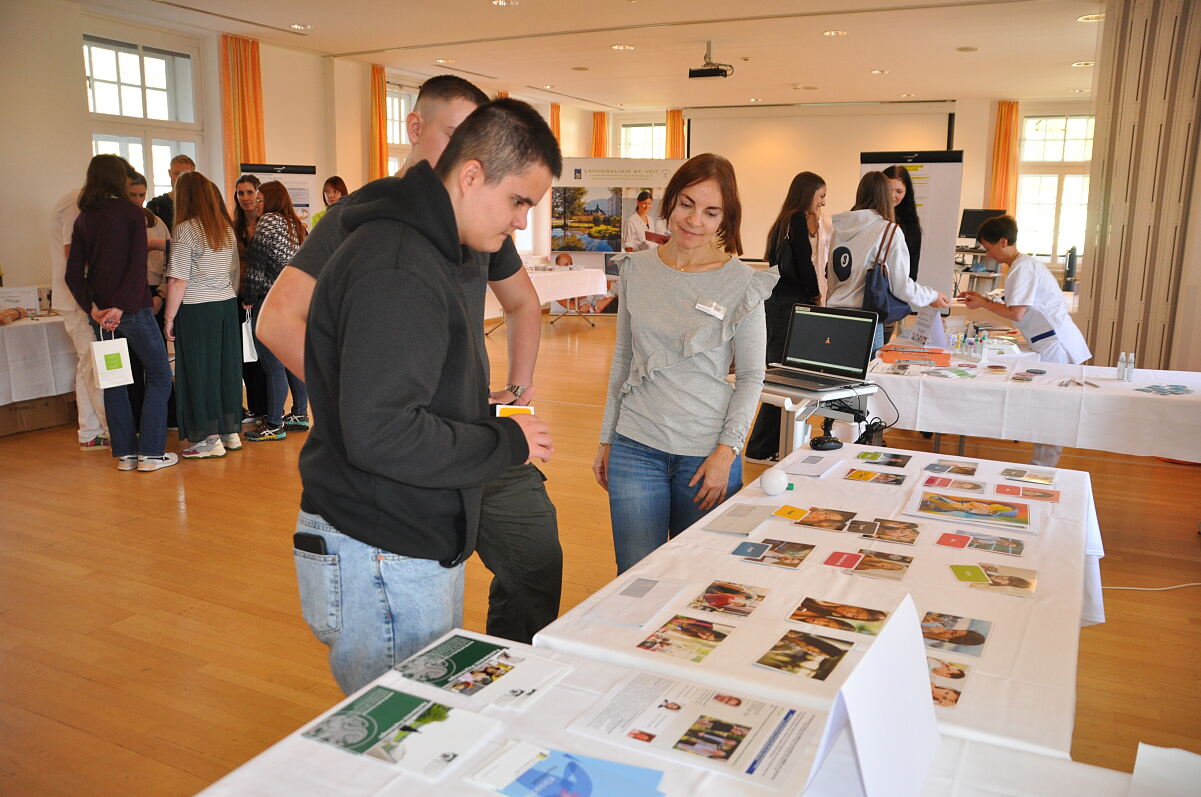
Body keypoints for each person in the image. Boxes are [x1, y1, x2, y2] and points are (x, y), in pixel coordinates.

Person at [258, 75, 562, 646]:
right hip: (383, 533)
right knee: (405, 725)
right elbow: (380, 427)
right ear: (469, 171)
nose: (521, 220)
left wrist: (503, 405)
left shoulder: (447, 239)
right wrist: (504, 440)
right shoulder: (397, 260)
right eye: (519, 202)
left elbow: (520, 308)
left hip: (418, 503)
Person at [595, 153, 778, 574]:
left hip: (706, 456)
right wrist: (607, 438)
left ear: (725, 220)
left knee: (698, 580)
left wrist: (727, 453)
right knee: (635, 577)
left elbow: (752, 375)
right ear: (669, 203)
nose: (694, 220)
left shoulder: (743, 283)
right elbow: (623, 358)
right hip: (634, 449)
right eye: (687, 204)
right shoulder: (636, 270)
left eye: (711, 211)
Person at [64, 154, 177, 472]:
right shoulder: (131, 214)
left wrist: (95, 309)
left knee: (115, 381)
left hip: (102, 318)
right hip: (135, 311)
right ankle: (152, 453)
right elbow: (135, 268)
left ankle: (125, 454)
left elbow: (73, 275)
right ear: (119, 179)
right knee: (158, 374)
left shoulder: (84, 219)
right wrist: (121, 307)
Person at [960, 214, 1091, 467]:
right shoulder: (1025, 266)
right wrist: (984, 300)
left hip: (1056, 346)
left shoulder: (1022, 267)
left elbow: (1016, 312)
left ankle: (1043, 469)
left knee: (1051, 409)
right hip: (1051, 341)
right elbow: (1019, 307)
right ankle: (1042, 465)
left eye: (989, 249)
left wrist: (982, 304)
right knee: (1048, 407)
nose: (989, 256)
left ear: (1003, 241)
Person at [744, 171, 828, 461]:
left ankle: (770, 445)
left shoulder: (782, 221)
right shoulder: (796, 220)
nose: (822, 203)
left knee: (781, 378)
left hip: (778, 304)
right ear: (807, 194)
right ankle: (761, 446)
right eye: (820, 197)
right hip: (791, 307)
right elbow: (804, 264)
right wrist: (816, 295)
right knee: (783, 380)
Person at [163, 171, 243, 458]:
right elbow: (234, 272)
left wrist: (168, 318)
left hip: (197, 307)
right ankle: (229, 431)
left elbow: (178, 279)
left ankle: (209, 439)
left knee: (200, 370)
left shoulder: (185, 230)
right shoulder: (225, 227)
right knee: (225, 368)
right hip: (225, 304)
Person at [826, 171, 950, 357]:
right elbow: (901, 286)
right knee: (869, 379)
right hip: (868, 318)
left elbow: (832, 280)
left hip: (834, 316)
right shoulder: (889, 231)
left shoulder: (839, 230)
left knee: (839, 374)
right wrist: (932, 296)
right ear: (884, 195)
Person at [241, 180, 310, 441]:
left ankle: (273, 424)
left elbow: (257, 267)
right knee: (290, 359)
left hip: (269, 300)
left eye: (259, 199)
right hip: (293, 300)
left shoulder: (268, 222)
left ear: (270, 200)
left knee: (272, 365)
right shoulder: (295, 224)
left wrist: (248, 296)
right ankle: (300, 414)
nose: (256, 203)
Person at [50, 186, 109, 450]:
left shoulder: (80, 201)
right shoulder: (75, 202)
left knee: (88, 364)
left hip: (80, 297)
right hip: (78, 298)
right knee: (95, 365)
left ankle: (90, 431)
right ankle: (109, 429)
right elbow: (72, 253)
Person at [126, 172, 175, 429]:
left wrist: (161, 295)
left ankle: (165, 416)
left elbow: (171, 261)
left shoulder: (156, 222)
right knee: (133, 363)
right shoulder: (117, 224)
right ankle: (136, 419)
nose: (137, 200)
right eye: (132, 195)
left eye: (141, 195)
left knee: (158, 363)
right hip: (131, 296)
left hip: (156, 292)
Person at [232, 174, 268, 426]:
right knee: (245, 353)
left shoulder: (267, 223)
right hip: (237, 295)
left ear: (258, 193)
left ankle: (268, 407)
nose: (245, 197)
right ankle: (254, 407)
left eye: (249, 192)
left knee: (263, 355)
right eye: (240, 193)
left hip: (262, 296)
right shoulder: (233, 225)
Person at [882, 164, 923, 344]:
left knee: (878, 353)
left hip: (890, 303)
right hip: (860, 301)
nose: (893, 196)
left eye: (899, 191)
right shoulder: (864, 217)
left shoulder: (910, 225)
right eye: (889, 190)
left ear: (907, 192)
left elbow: (911, 272)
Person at [146, 153, 195, 231]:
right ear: (169, 173)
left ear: (193, 176)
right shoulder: (155, 205)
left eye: (185, 175)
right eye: (176, 173)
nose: (180, 178)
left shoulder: (201, 206)